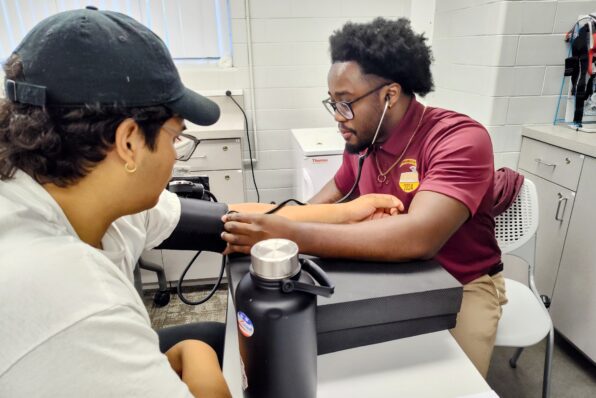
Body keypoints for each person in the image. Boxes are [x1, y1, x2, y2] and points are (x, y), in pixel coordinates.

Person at [0, 8, 402, 398]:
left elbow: (225, 221)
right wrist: (201, 363)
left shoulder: (72, 192)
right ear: (128, 143)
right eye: (176, 138)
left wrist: (345, 212)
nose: (177, 156)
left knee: (211, 336)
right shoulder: (76, 300)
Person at [222, 17, 507, 378]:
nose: (338, 118)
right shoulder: (361, 141)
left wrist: (286, 234)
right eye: (333, 104)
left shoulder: (459, 140)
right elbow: (316, 207)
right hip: (392, 275)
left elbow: (419, 236)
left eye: (346, 103)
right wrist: (266, 229)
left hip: (463, 284)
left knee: (448, 381)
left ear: (389, 95)